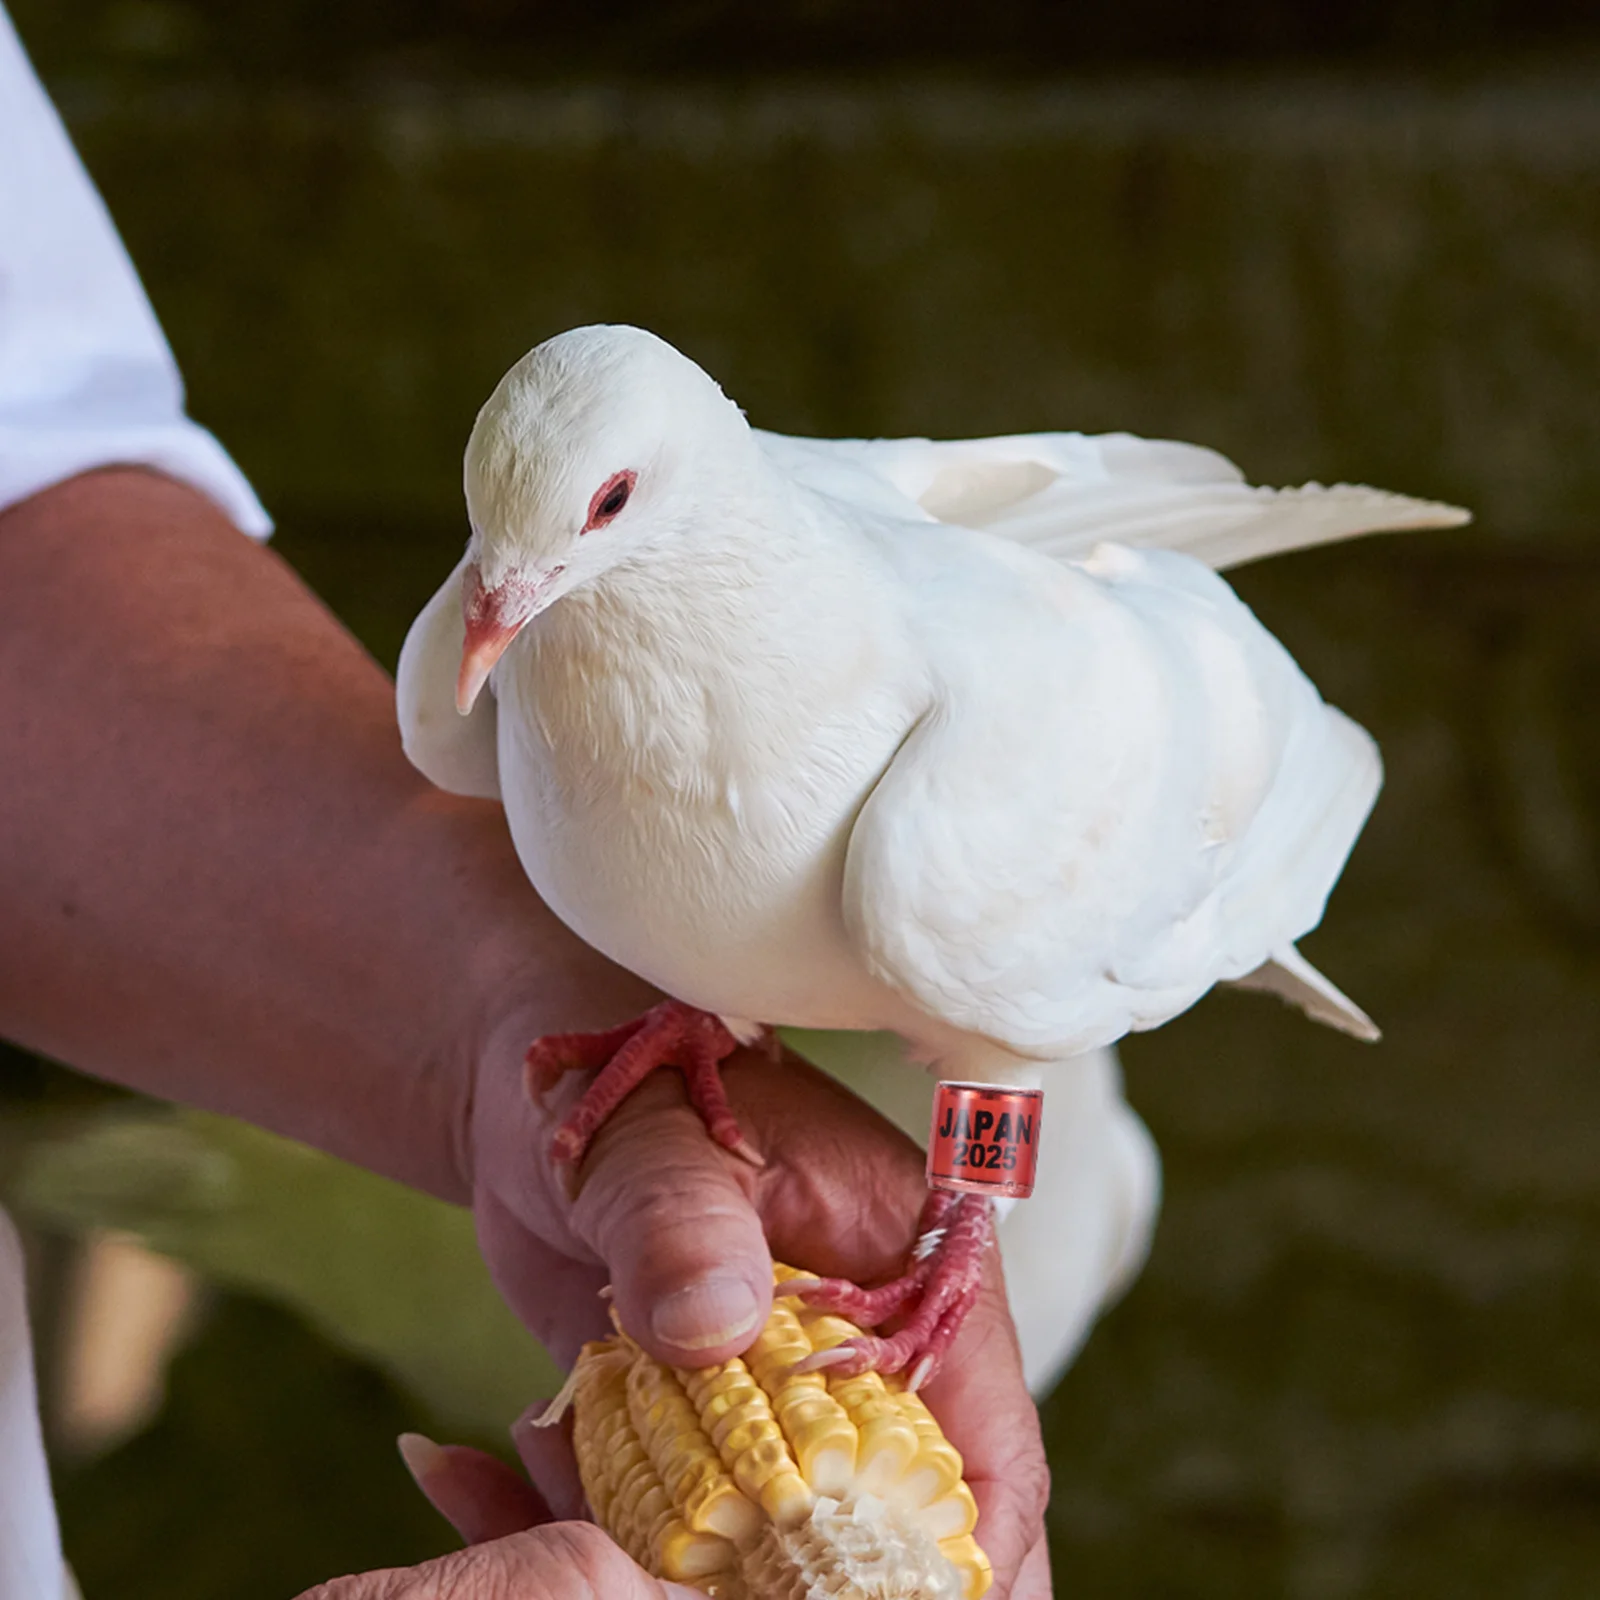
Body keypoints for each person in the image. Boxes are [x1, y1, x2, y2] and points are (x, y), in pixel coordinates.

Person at [0, 8, 1049, 1597]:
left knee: (1012, 1059)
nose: (494, 619)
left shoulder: (967, 746)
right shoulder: (512, 651)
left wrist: (497, 1012)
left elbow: (18, 478)